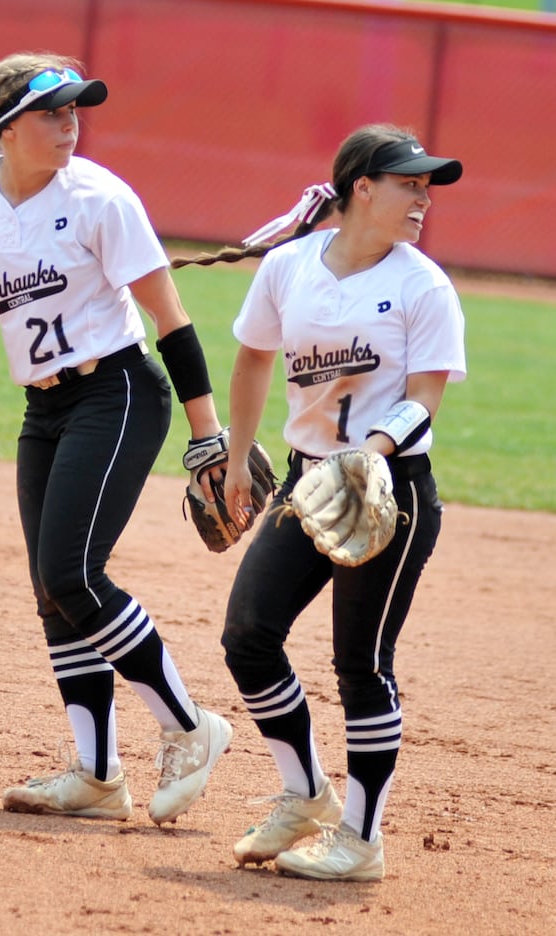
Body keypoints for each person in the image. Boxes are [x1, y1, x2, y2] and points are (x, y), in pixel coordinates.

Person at [0, 51, 233, 825]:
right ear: (0, 130)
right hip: (44, 408)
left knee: (72, 574)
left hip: (119, 390)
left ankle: (189, 725)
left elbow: (171, 317)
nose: (71, 121)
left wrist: (209, 434)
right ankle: (98, 776)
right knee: (51, 592)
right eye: (51, 111)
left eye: (76, 108)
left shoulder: (101, 197)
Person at [177, 124, 465, 879]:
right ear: (360, 189)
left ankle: (362, 842)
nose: (422, 198)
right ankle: (306, 793)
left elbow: (426, 400)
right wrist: (238, 460)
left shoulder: (422, 285)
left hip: (389, 490)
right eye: (409, 183)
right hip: (308, 483)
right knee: (248, 633)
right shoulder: (290, 266)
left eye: (427, 186)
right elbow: (252, 360)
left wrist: (370, 456)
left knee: (361, 665)